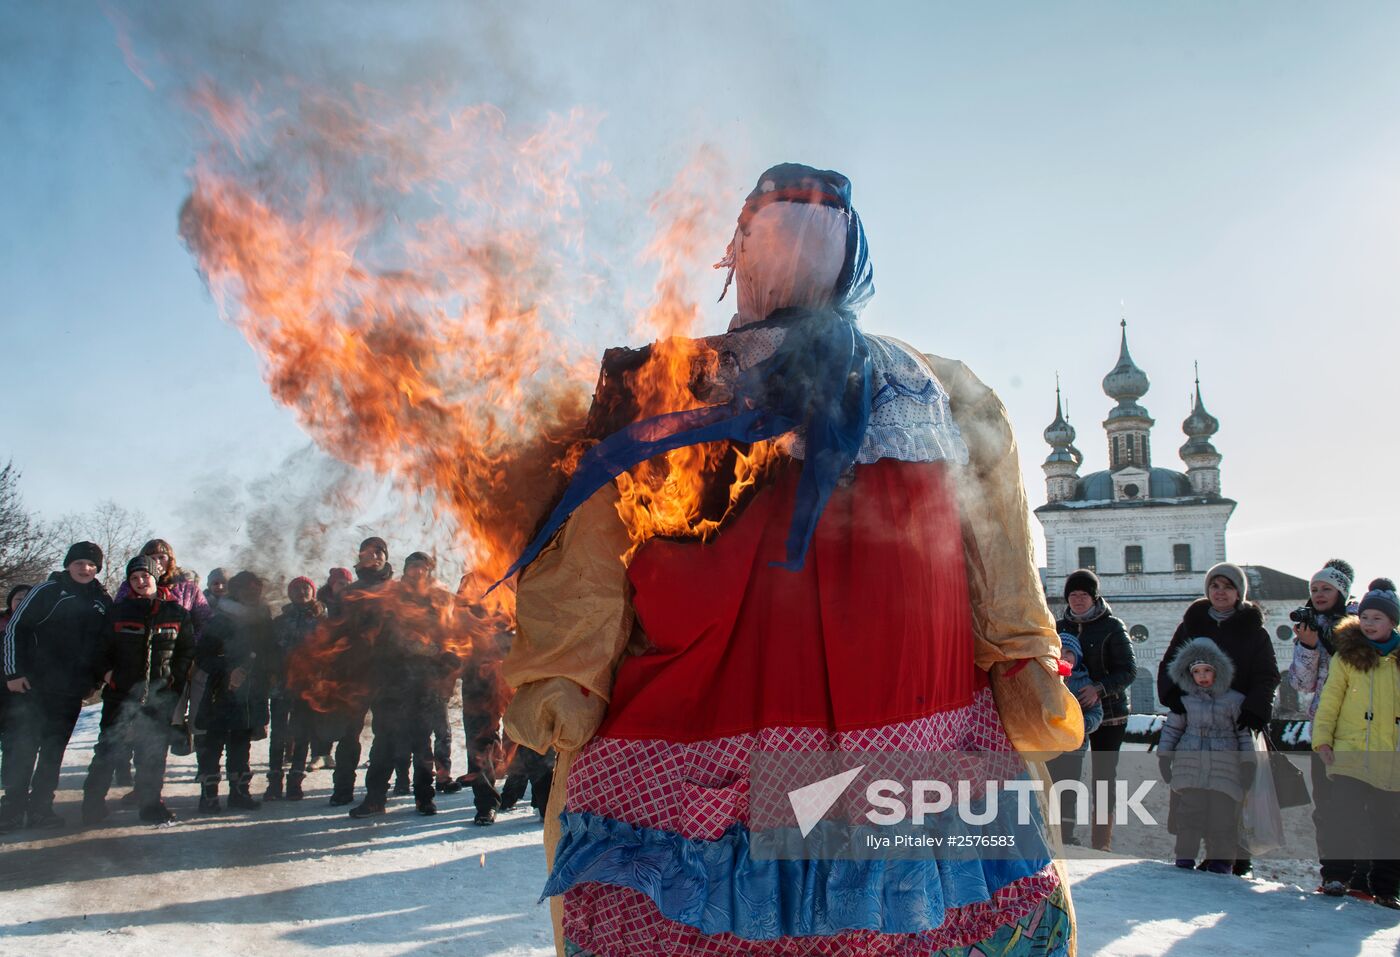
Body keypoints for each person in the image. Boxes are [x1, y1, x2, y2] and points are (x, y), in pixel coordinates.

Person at [501, 164, 1080, 955]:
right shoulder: (682, 383)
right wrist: (568, 667)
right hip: (804, 735)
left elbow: (995, 531)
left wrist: (1018, 648)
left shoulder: (918, 385)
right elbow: (595, 547)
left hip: (812, 741)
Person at [1156, 561, 1279, 876]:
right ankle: (1190, 854)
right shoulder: (1192, 625)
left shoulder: (1254, 631)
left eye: (1227, 586)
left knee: (1232, 793)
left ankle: (1234, 857)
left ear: (1238, 593)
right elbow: (1171, 662)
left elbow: (1267, 675)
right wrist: (1174, 697)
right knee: (1196, 794)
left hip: (1236, 720)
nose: (1220, 592)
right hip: (1197, 720)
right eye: (1214, 586)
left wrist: (1254, 708)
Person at [1, 542, 112, 832]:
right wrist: (13, 672)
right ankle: (11, 809)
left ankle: (41, 808)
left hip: (70, 691)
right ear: (68, 564)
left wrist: (95, 681)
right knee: (23, 748)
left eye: (91, 564)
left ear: (97, 568)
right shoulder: (46, 591)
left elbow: (104, 646)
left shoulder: (102, 601)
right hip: (32, 687)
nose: (85, 568)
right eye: (79, 563)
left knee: (53, 752)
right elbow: (15, 628)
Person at [81, 555, 194, 825]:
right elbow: (98, 650)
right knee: (109, 749)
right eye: (134, 578)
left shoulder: (177, 613)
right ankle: (92, 805)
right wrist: (109, 675)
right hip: (121, 695)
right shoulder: (118, 612)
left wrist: (172, 683)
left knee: (152, 752)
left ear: (155, 577)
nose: (140, 581)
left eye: (145, 576)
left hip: (159, 697)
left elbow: (186, 652)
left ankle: (151, 805)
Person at [1311, 578, 1400, 910]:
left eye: (1377, 618)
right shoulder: (1347, 657)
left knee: (1389, 826)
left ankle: (1387, 888)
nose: (1369, 624)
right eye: (1365, 618)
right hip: (1350, 752)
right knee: (1343, 817)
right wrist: (1322, 739)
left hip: (1390, 756)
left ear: (1392, 622)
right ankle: (1335, 876)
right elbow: (1330, 701)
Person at [349, 550, 456, 818]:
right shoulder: (391, 596)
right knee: (384, 743)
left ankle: (424, 798)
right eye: (412, 567)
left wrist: (441, 661)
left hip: (424, 684)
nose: (417, 572)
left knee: (422, 744)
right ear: (405, 569)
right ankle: (375, 798)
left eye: (422, 568)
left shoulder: (438, 601)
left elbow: (448, 640)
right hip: (391, 683)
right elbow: (382, 636)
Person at [1285, 558, 1364, 895]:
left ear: (1341, 592)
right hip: (1323, 727)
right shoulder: (1309, 627)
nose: (1318, 594)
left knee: (1362, 803)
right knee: (1328, 805)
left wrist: (1325, 643)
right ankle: (1332, 873)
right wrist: (1306, 646)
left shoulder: (1360, 625)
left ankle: (1364, 876)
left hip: (1360, 727)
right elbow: (1302, 684)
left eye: (1326, 589)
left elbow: (1358, 669)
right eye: (1314, 589)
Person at [110, 539, 211, 794]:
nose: (157, 560)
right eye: (151, 556)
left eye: (162, 556)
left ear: (171, 559)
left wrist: (190, 653)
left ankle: (205, 771)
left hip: (185, 660)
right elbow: (118, 619)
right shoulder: (130, 586)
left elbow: (204, 622)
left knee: (198, 716)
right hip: (145, 667)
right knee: (149, 726)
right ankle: (145, 785)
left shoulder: (188, 589)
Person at [1157, 637, 1255, 873]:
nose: (1202, 676)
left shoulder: (1234, 701)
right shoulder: (1185, 702)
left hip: (1224, 769)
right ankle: (1184, 857)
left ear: (1218, 671)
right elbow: (1172, 729)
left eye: (1207, 670)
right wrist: (1165, 755)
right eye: (1196, 671)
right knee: (1189, 815)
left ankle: (1221, 861)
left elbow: (1243, 734)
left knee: (1222, 819)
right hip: (1190, 767)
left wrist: (1248, 763)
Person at [1055, 568, 1136, 849]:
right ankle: (1064, 835)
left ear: (1094, 597)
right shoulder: (1059, 627)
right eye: (1073, 595)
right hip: (1068, 713)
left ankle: (1101, 841)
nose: (1078, 599)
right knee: (1065, 771)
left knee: (1104, 775)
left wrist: (1099, 688)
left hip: (1110, 712)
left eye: (1084, 594)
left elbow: (1128, 670)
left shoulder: (1112, 626)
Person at [193, 570, 272, 813]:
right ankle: (209, 796)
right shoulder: (220, 618)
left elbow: (269, 652)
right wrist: (228, 671)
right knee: (212, 744)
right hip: (220, 692)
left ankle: (239, 793)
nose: (252, 592)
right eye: (247, 587)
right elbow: (203, 656)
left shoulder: (262, 617)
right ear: (235, 591)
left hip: (250, 692)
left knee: (241, 744)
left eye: (256, 587)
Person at [325, 539, 394, 806]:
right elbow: (335, 633)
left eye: (380, 552)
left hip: (388, 674)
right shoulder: (349, 593)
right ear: (360, 556)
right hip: (354, 674)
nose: (374, 556)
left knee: (385, 734)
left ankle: (376, 793)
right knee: (348, 734)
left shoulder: (395, 592)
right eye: (369, 552)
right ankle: (342, 787)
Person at [266, 576, 324, 800]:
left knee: (302, 735)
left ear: (313, 591)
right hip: (281, 685)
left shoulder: (322, 621)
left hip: (308, 686)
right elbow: (269, 652)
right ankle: (274, 782)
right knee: (278, 735)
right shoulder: (280, 621)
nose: (301, 591)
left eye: (306, 587)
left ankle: (295, 781)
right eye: (296, 588)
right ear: (289, 593)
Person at [1045, 632, 1103, 845]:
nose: (1065, 655)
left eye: (1070, 652)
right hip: (1049, 745)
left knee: (1068, 790)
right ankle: (1047, 831)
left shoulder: (1084, 683)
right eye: (1061, 650)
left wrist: (1080, 726)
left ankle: (1066, 834)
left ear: (1078, 657)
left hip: (1074, 747)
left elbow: (1096, 714)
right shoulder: (1045, 679)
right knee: (1047, 788)